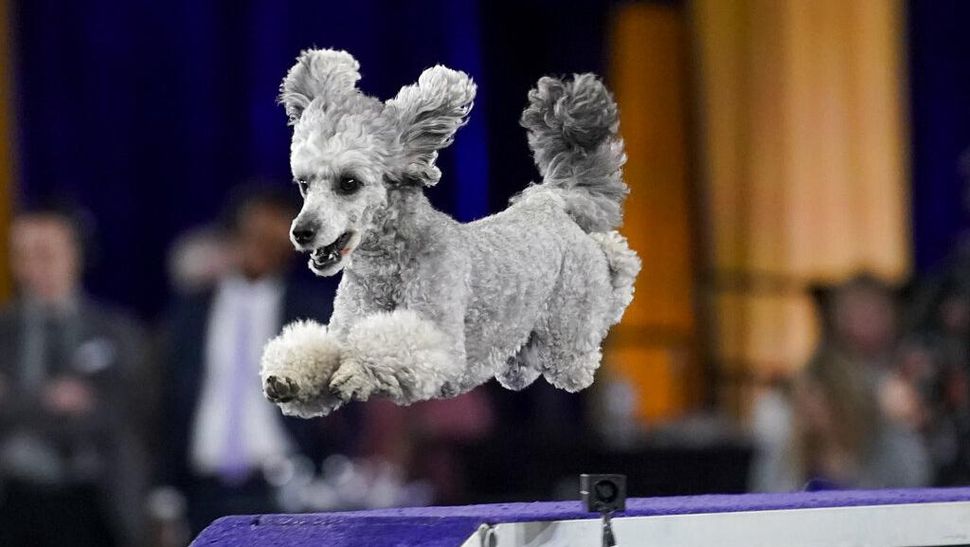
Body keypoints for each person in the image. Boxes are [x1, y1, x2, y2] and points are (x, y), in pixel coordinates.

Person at [158, 186, 358, 534]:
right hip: (202, 490)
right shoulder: (191, 312)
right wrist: (163, 489)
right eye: (252, 235)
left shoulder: (315, 314)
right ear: (231, 236)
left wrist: (329, 469)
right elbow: (167, 397)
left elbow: (345, 399)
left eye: (273, 239)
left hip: (285, 488)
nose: (261, 249)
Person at [0, 204, 151, 547]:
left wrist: (17, 400)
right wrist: (49, 400)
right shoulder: (3, 331)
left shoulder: (118, 332)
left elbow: (122, 414)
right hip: (12, 499)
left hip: (95, 502)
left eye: (45, 252)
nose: (33, 267)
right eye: (21, 254)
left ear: (76, 253)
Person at [750, 275, 930, 491]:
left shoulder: (910, 377)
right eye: (858, 312)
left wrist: (898, 424)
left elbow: (914, 483)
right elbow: (767, 491)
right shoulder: (811, 378)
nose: (867, 322)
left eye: (875, 311)